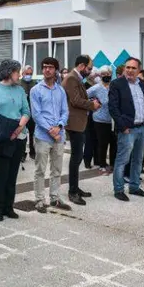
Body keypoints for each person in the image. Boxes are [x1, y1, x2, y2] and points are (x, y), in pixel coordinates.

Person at [0, 60, 30, 222]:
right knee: (1, 174)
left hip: (18, 136)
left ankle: (8, 206)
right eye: (16, 71)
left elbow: (26, 111)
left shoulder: (19, 90)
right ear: (8, 72)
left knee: (12, 174)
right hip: (2, 137)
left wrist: (18, 129)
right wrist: (8, 128)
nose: (19, 75)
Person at [108, 57, 144, 202]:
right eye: (127, 67)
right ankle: (119, 189)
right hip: (127, 129)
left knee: (138, 159)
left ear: (139, 70)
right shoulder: (117, 84)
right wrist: (123, 126)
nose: (130, 70)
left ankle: (134, 187)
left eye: (133, 68)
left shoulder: (142, 84)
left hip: (142, 128)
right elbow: (113, 108)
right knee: (122, 160)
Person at [30, 57, 71, 213]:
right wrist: (51, 130)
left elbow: (65, 111)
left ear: (56, 70)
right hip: (43, 136)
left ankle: (55, 198)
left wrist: (59, 126)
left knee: (57, 169)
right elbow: (36, 115)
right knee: (40, 170)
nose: (47, 70)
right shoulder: (36, 90)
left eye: (50, 67)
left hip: (59, 135)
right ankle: (40, 199)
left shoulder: (60, 90)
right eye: (45, 67)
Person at [62, 55, 101, 206]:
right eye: (89, 68)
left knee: (77, 158)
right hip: (74, 124)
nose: (90, 71)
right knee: (76, 157)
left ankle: (75, 187)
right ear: (81, 66)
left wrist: (90, 102)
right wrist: (92, 105)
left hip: (79, 122)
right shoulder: (72, 78)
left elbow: (78, 98)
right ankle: (72, 192)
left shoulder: (77, 78)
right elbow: (76, 101)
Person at [88, 66, 116, 173]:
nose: (106, 76)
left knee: (114, 143)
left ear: (111, 74)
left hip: (113, 120)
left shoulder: (114, 86)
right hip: (100, 119)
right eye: (103, 74)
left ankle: (113, 164)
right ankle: (102, 164)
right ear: (100, 76)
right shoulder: (96, 88)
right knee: (102, 143)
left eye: (108, 73)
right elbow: (84, 95)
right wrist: (92, 103)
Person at [20, 65, 37, 162]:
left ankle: (32, 151)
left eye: (30, 74)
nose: (29, 76)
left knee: (32, 134)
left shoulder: (35, 83)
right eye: (27, 74)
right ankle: (22, 153)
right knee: (22, 134)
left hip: (32, 112)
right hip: (22, 113)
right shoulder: (18, 84)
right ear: (22, 74)